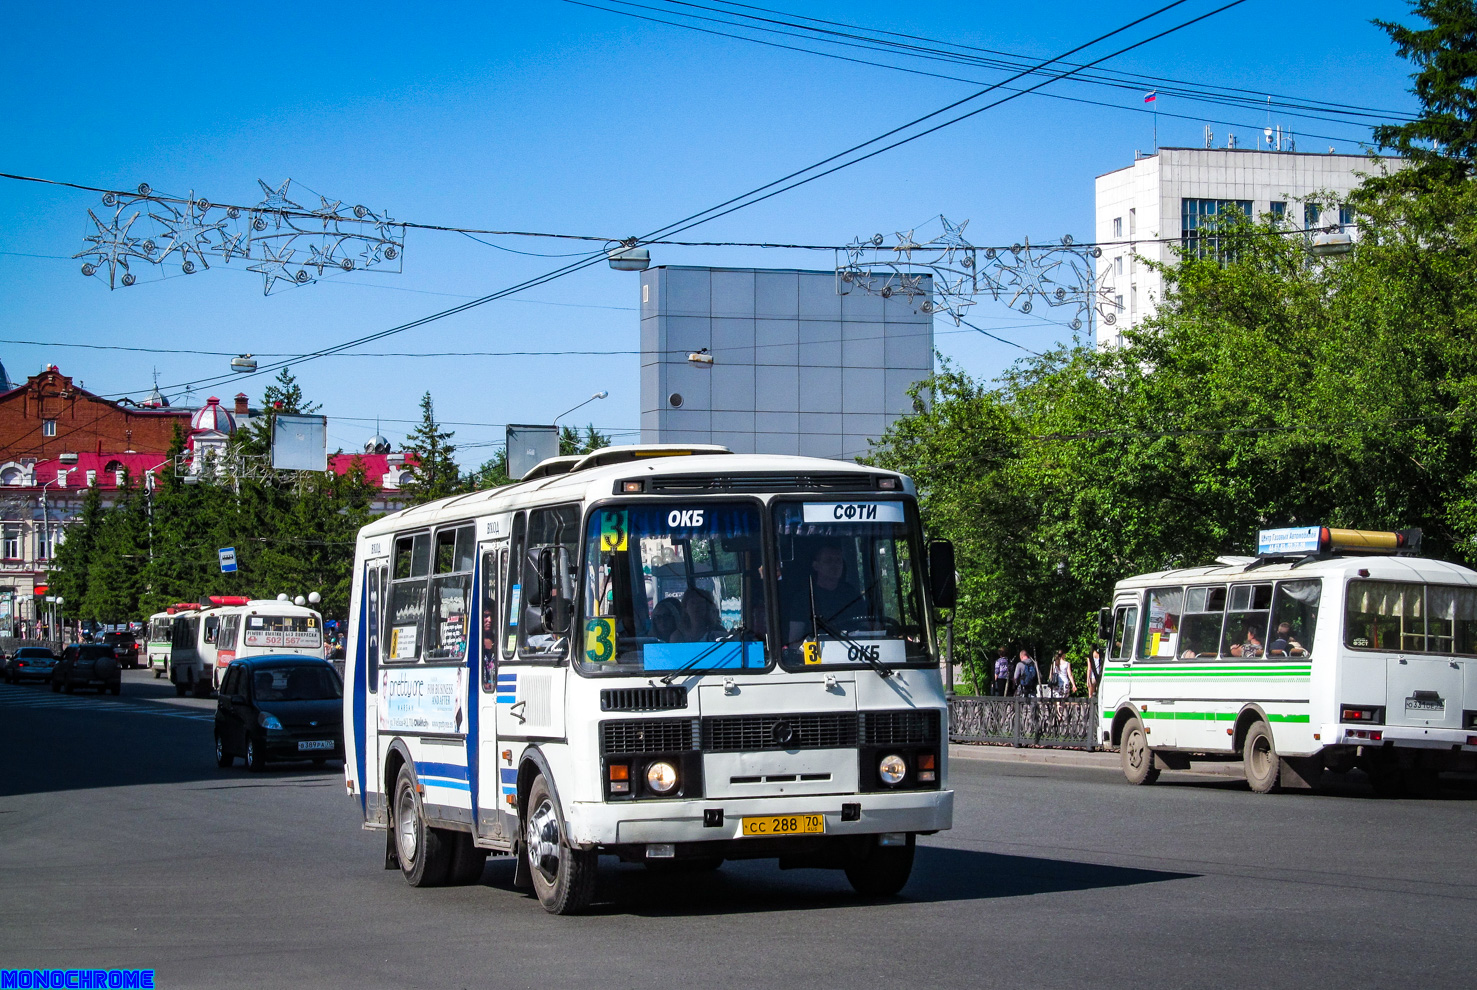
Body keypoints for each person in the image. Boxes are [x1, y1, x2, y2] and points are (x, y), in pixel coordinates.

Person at [785, 542, 866, 643]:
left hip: (855, 652)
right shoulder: (804, 598)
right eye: (829, 561)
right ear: (816, 565)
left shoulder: (852, 595)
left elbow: (866, 626)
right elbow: (794, 641)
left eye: (838, 561)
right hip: (819, 655)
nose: (835, 565)